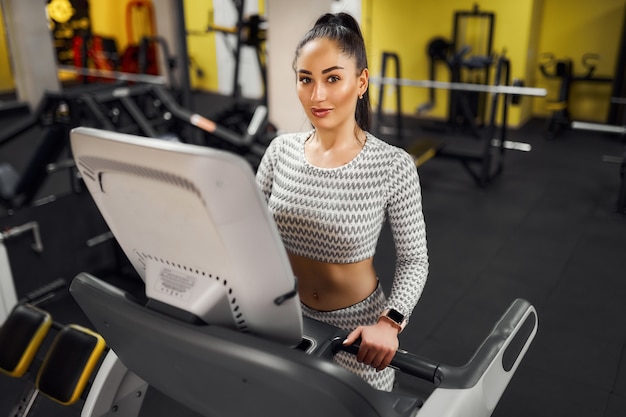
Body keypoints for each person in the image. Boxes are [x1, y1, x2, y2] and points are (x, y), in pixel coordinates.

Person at [255, 12, 428, 392]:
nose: (317, 96)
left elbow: (415, 259)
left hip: (358, 333)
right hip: (288, 320)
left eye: (333, 78)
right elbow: (249, 233)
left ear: (361, 81)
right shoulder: (279, 151)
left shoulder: (392, 164)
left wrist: (390, 322)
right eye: (306, 79)